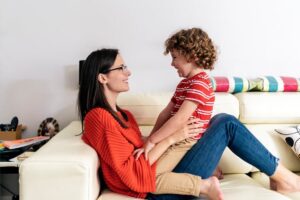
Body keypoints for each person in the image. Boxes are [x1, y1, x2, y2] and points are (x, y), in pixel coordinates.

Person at [78, 49, 300, 200]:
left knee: (218, 121)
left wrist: (200, 151)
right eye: (121, 68)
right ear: (102, 78)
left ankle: (281, 176)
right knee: (226, 123)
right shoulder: (98, 118)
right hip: (153, 188)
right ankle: (286, 179)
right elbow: (133, 172)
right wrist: (173, 137)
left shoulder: (124, 115)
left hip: (160, 173)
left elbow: (142, 152)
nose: (129, 72)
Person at [134, 27, 224, 181]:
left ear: (191, 56)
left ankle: (208, 175)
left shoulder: (200, 83)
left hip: (186, 140)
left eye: (174, 57)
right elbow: (166, 113)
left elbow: (181, 118)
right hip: (174, 135)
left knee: (148, 177)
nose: (172, 63)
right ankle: (210, 171)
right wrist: (150, 138)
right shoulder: (184, 84)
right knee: (142, 166)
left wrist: (152, 141)